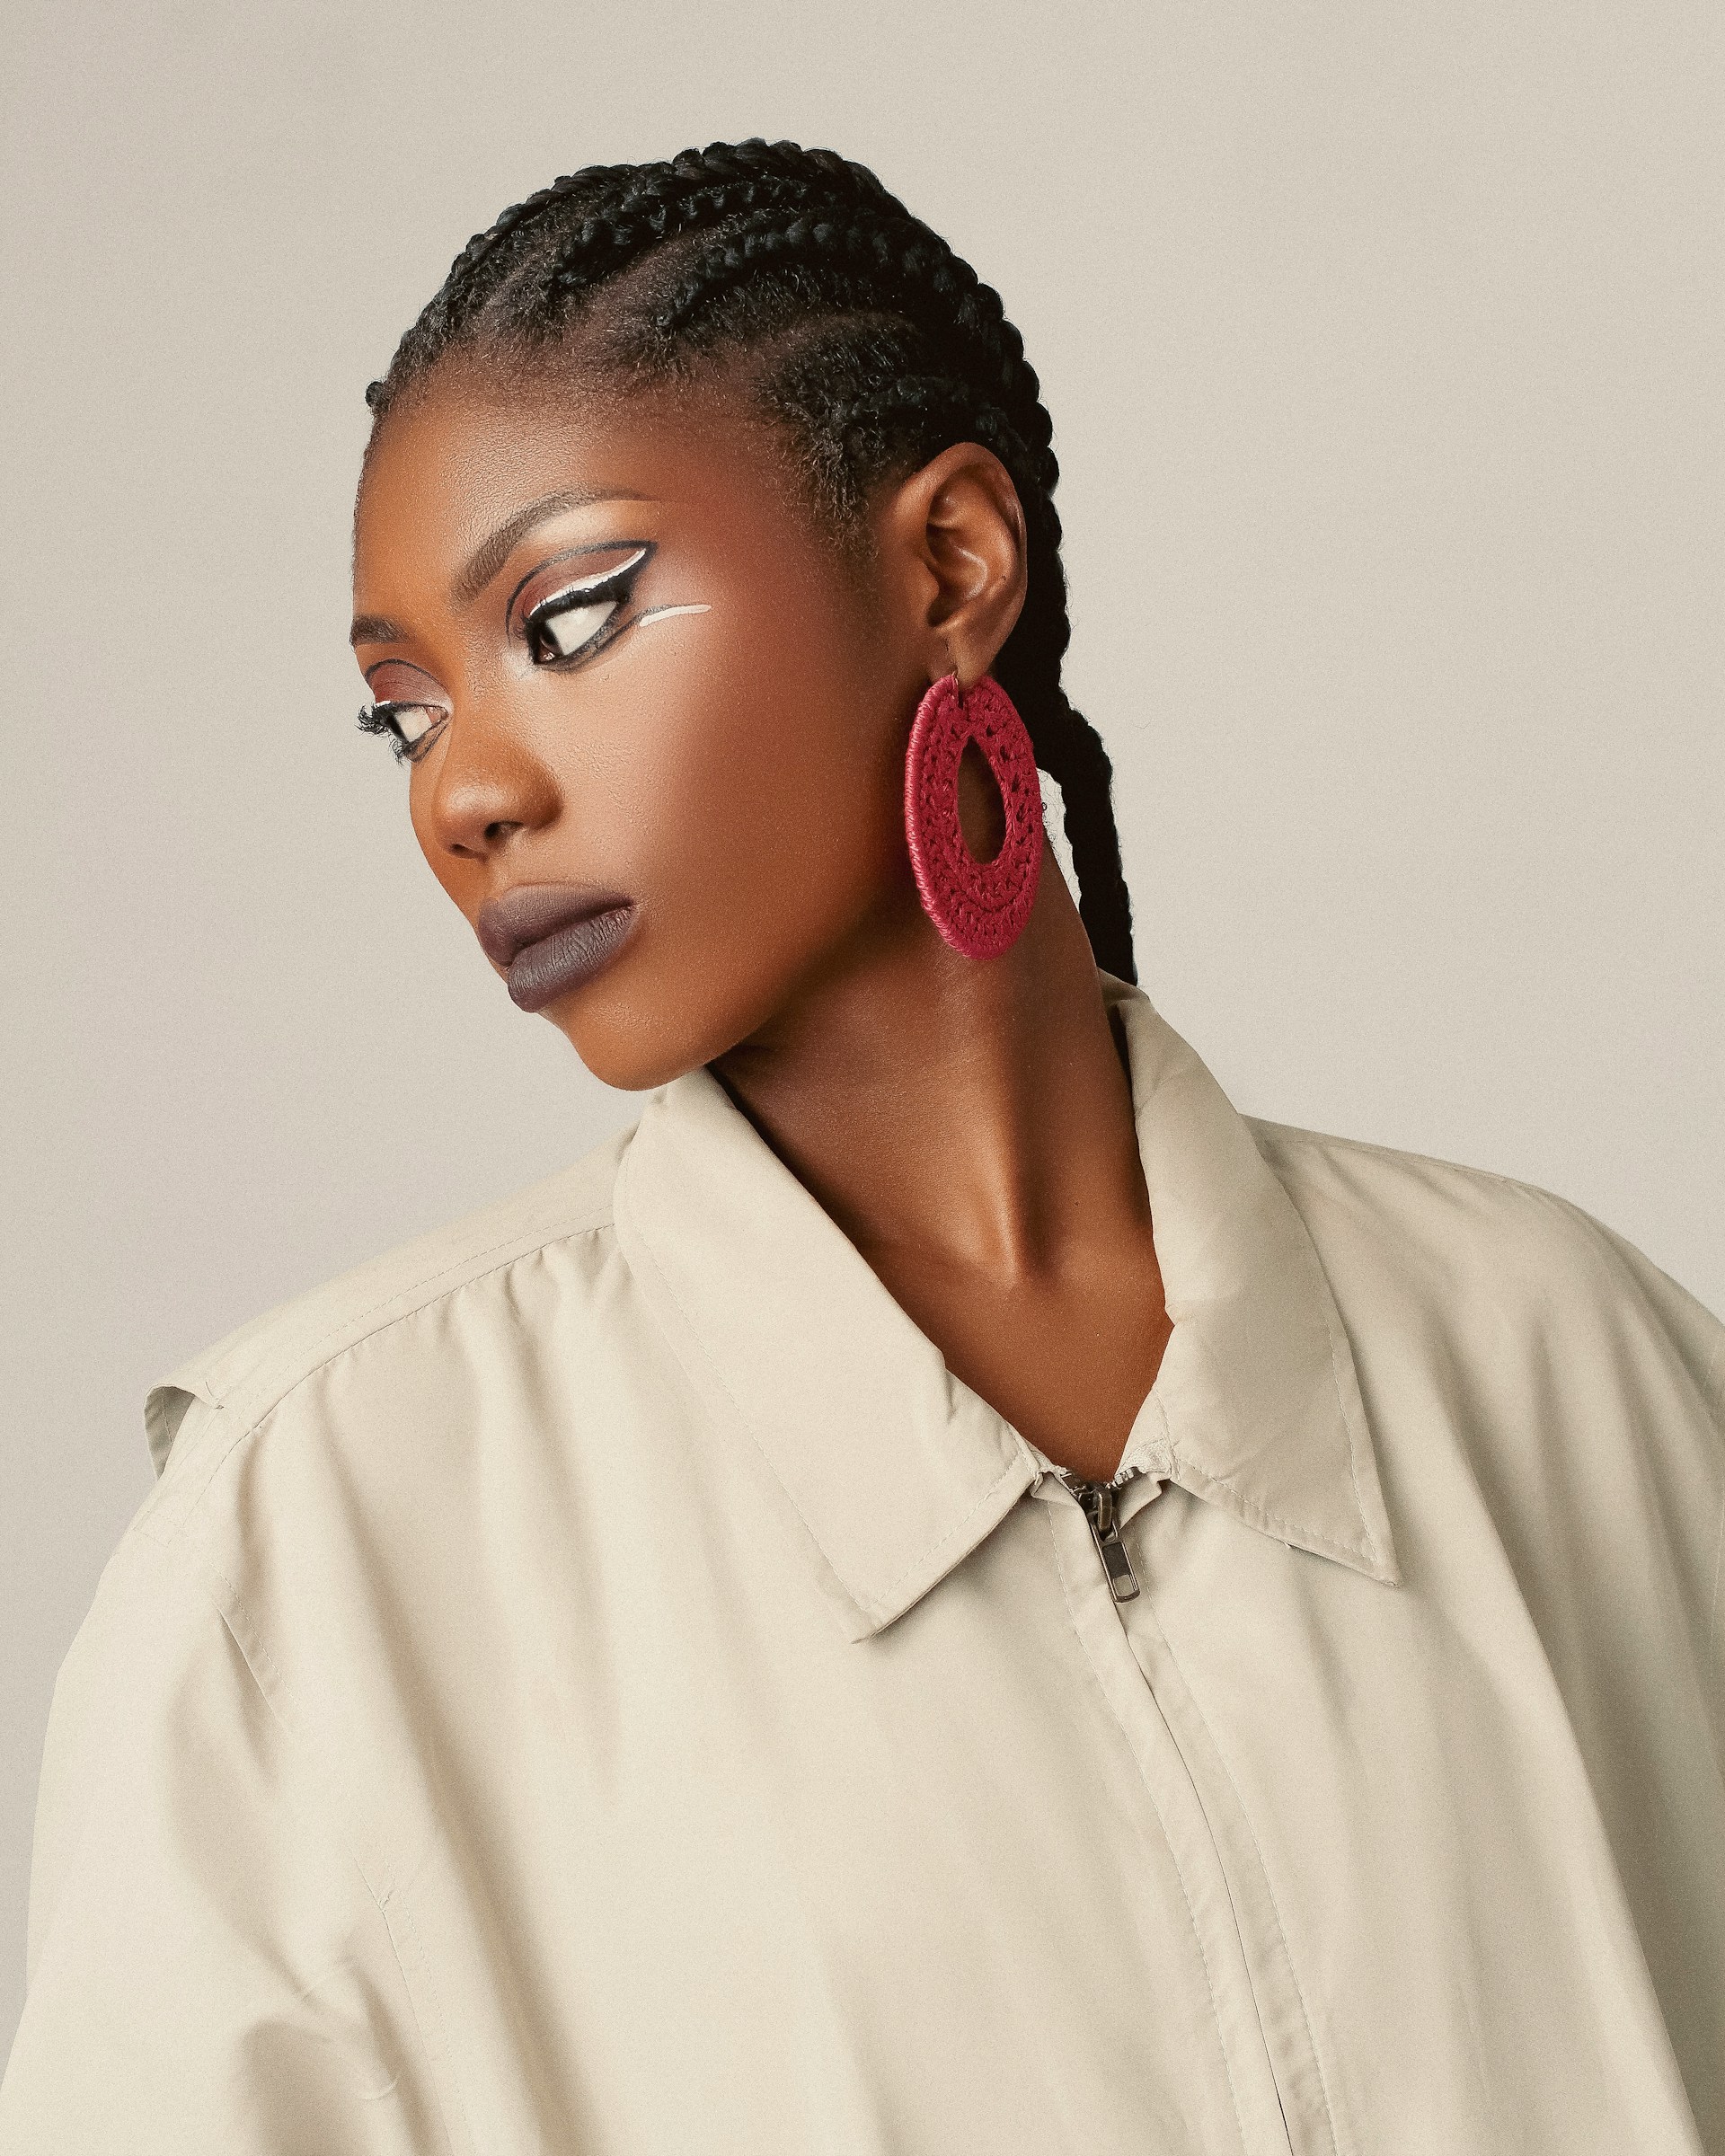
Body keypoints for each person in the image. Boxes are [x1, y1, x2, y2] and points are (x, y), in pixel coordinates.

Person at [2, 136, 1721, 2155]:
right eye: (404, 711)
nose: (462, 790)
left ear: (947, 569)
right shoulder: (313, 1536)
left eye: (565, 620)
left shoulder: (1574, 1358)